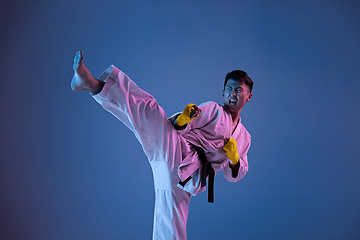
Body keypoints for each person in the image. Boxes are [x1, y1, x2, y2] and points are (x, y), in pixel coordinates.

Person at [71, 51, 253, 240]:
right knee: (149, 111)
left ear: (248, 96)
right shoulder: (213, 110)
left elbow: (235, 176)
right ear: (223, 92)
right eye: (229, 89)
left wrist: (234, 158)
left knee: (172, 223)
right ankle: (92, 84)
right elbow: (178, 128)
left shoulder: (244, 138)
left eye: (238, 90)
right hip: (176, 150)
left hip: (188, 178)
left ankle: (91, 85)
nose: (233, 94)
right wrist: (183, 119)